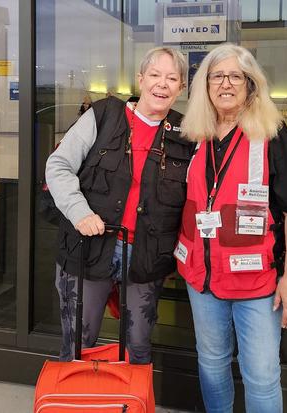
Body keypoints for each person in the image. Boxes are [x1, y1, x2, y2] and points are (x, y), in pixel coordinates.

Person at [176, 44, 287, 412]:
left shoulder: (272, 135)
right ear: (204, 85)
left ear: (251, 84)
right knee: (212, 363)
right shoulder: (193, 135)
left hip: (256, 284)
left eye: (236, 76)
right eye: (217, 76)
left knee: (262, 375)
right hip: (202, 278)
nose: (226, 84)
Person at [45, 47, 193, 363]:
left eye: (171, 78)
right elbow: (58, 165)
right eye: (155, 75)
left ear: (181, 87)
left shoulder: (188, 133)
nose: (162, 84)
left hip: (146, 256)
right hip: (88, 248)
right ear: (141, 79)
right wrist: (79, 212)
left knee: (138, 346)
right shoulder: (104, 114)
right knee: (78, 344)